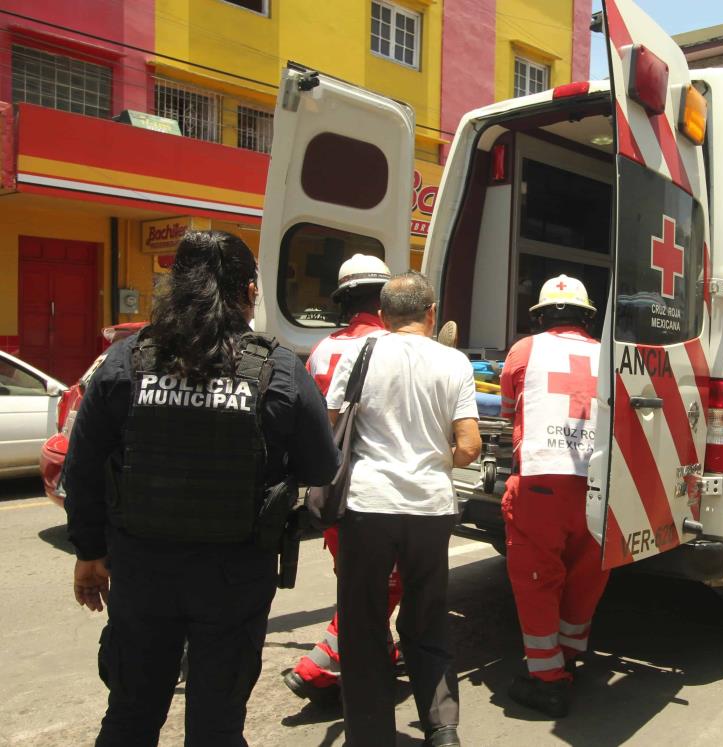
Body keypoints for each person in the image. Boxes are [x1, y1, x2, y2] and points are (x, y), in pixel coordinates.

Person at [64, 231, 339, 746]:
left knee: (129, 716)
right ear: (250, 291)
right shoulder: (279, 368)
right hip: (234, 578)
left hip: (141, 572)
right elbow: (322, 466)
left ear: (176, 286)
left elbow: (81, 467)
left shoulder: (127, 362)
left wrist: (89, 552)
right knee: (216, 726)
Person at [326, 272, 480, 747]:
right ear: (431, 313)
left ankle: (370, 736)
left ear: (385, 314)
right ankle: (442, 727)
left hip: (367, 506)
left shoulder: (356, 353)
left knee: (363, 622)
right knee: (427, 615)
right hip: (430, 507)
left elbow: (333, 426)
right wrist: (436, 458)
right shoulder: (454, 362)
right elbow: (470, 446)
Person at [284, 253, 404, 706]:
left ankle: (381, 651)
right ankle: (320, 667)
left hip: (331, 490)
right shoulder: (395, 348)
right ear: (385, 298)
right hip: (379, 490)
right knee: (385, 583)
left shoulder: (321, 350)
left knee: (355, 578)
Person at [499, 274, 608, 718]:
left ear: (541, 316)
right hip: (600, 482)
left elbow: (509, 409)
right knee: (587, 571)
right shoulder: (609, 354)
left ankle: (546, 680)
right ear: (586, 317)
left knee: (537, 578)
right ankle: (567, 656)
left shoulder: (525, 350)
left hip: (543, 481)